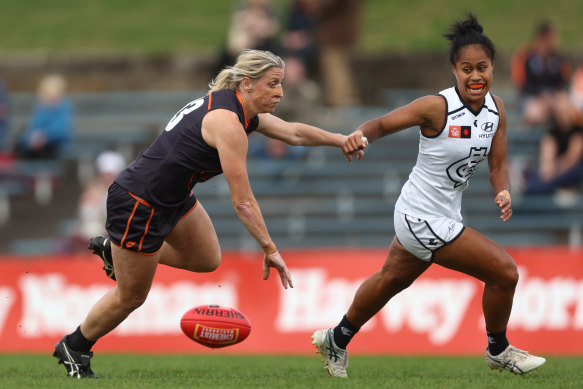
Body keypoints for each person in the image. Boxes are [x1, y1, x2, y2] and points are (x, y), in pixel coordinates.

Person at [53, 49, 357, 379]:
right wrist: (270, 249)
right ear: (248, 84)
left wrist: (340, 139)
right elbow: (242, 202)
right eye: (273, 84)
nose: (280, 93)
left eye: (281, 84)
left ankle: (117, 251)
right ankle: (75, 346)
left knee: (207, 258)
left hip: (172, 197)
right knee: (131, 296)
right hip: (139, 202)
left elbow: (294, 132)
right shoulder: (228, 123)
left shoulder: (239, 109)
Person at [311, 14, 546, 378]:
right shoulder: (436, 107)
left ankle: (336, 339)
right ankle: (498, 350)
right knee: (505, 272)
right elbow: (381, 124)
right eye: (466, 68)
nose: (475, 76)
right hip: (420, 216)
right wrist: (359, 136)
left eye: (482, 67)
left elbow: (498, 164)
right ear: (454, 70)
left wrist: (503, 191)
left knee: (392, 279)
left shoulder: (496, 109)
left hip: (444, 215)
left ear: (492, 67)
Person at [512, 21, 572, 127]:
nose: (557, 41)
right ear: (543, 38)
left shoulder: (558, 60)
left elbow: (563, 83)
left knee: (565, 109)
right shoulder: (526, 58)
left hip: (552, 98)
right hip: (531, 97)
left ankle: (560, 141)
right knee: (535, 113)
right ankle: (533, 141)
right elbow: (523, 85)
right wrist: (542, 95)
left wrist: (553, 96)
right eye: (553, 37)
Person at [16, 74, 73, 159]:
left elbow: (61, 131)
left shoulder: (63, 107)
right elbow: (33, 127)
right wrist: (30, 139)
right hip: (37, 145)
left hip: (54, 145)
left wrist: (44, 137)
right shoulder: (41, 108)